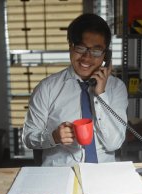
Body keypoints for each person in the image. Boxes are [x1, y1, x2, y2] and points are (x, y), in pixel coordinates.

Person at [22, 13, 128, 166]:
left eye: (96, 51)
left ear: (106, 55)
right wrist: (53, 137)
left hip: (102, 176)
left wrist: (100, 95)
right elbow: (28, 137)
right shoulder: (46, 88)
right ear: (70, 46)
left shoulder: (117, 88)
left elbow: (114, 144)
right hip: (59, 174)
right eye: (80, 48)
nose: (86, 57)